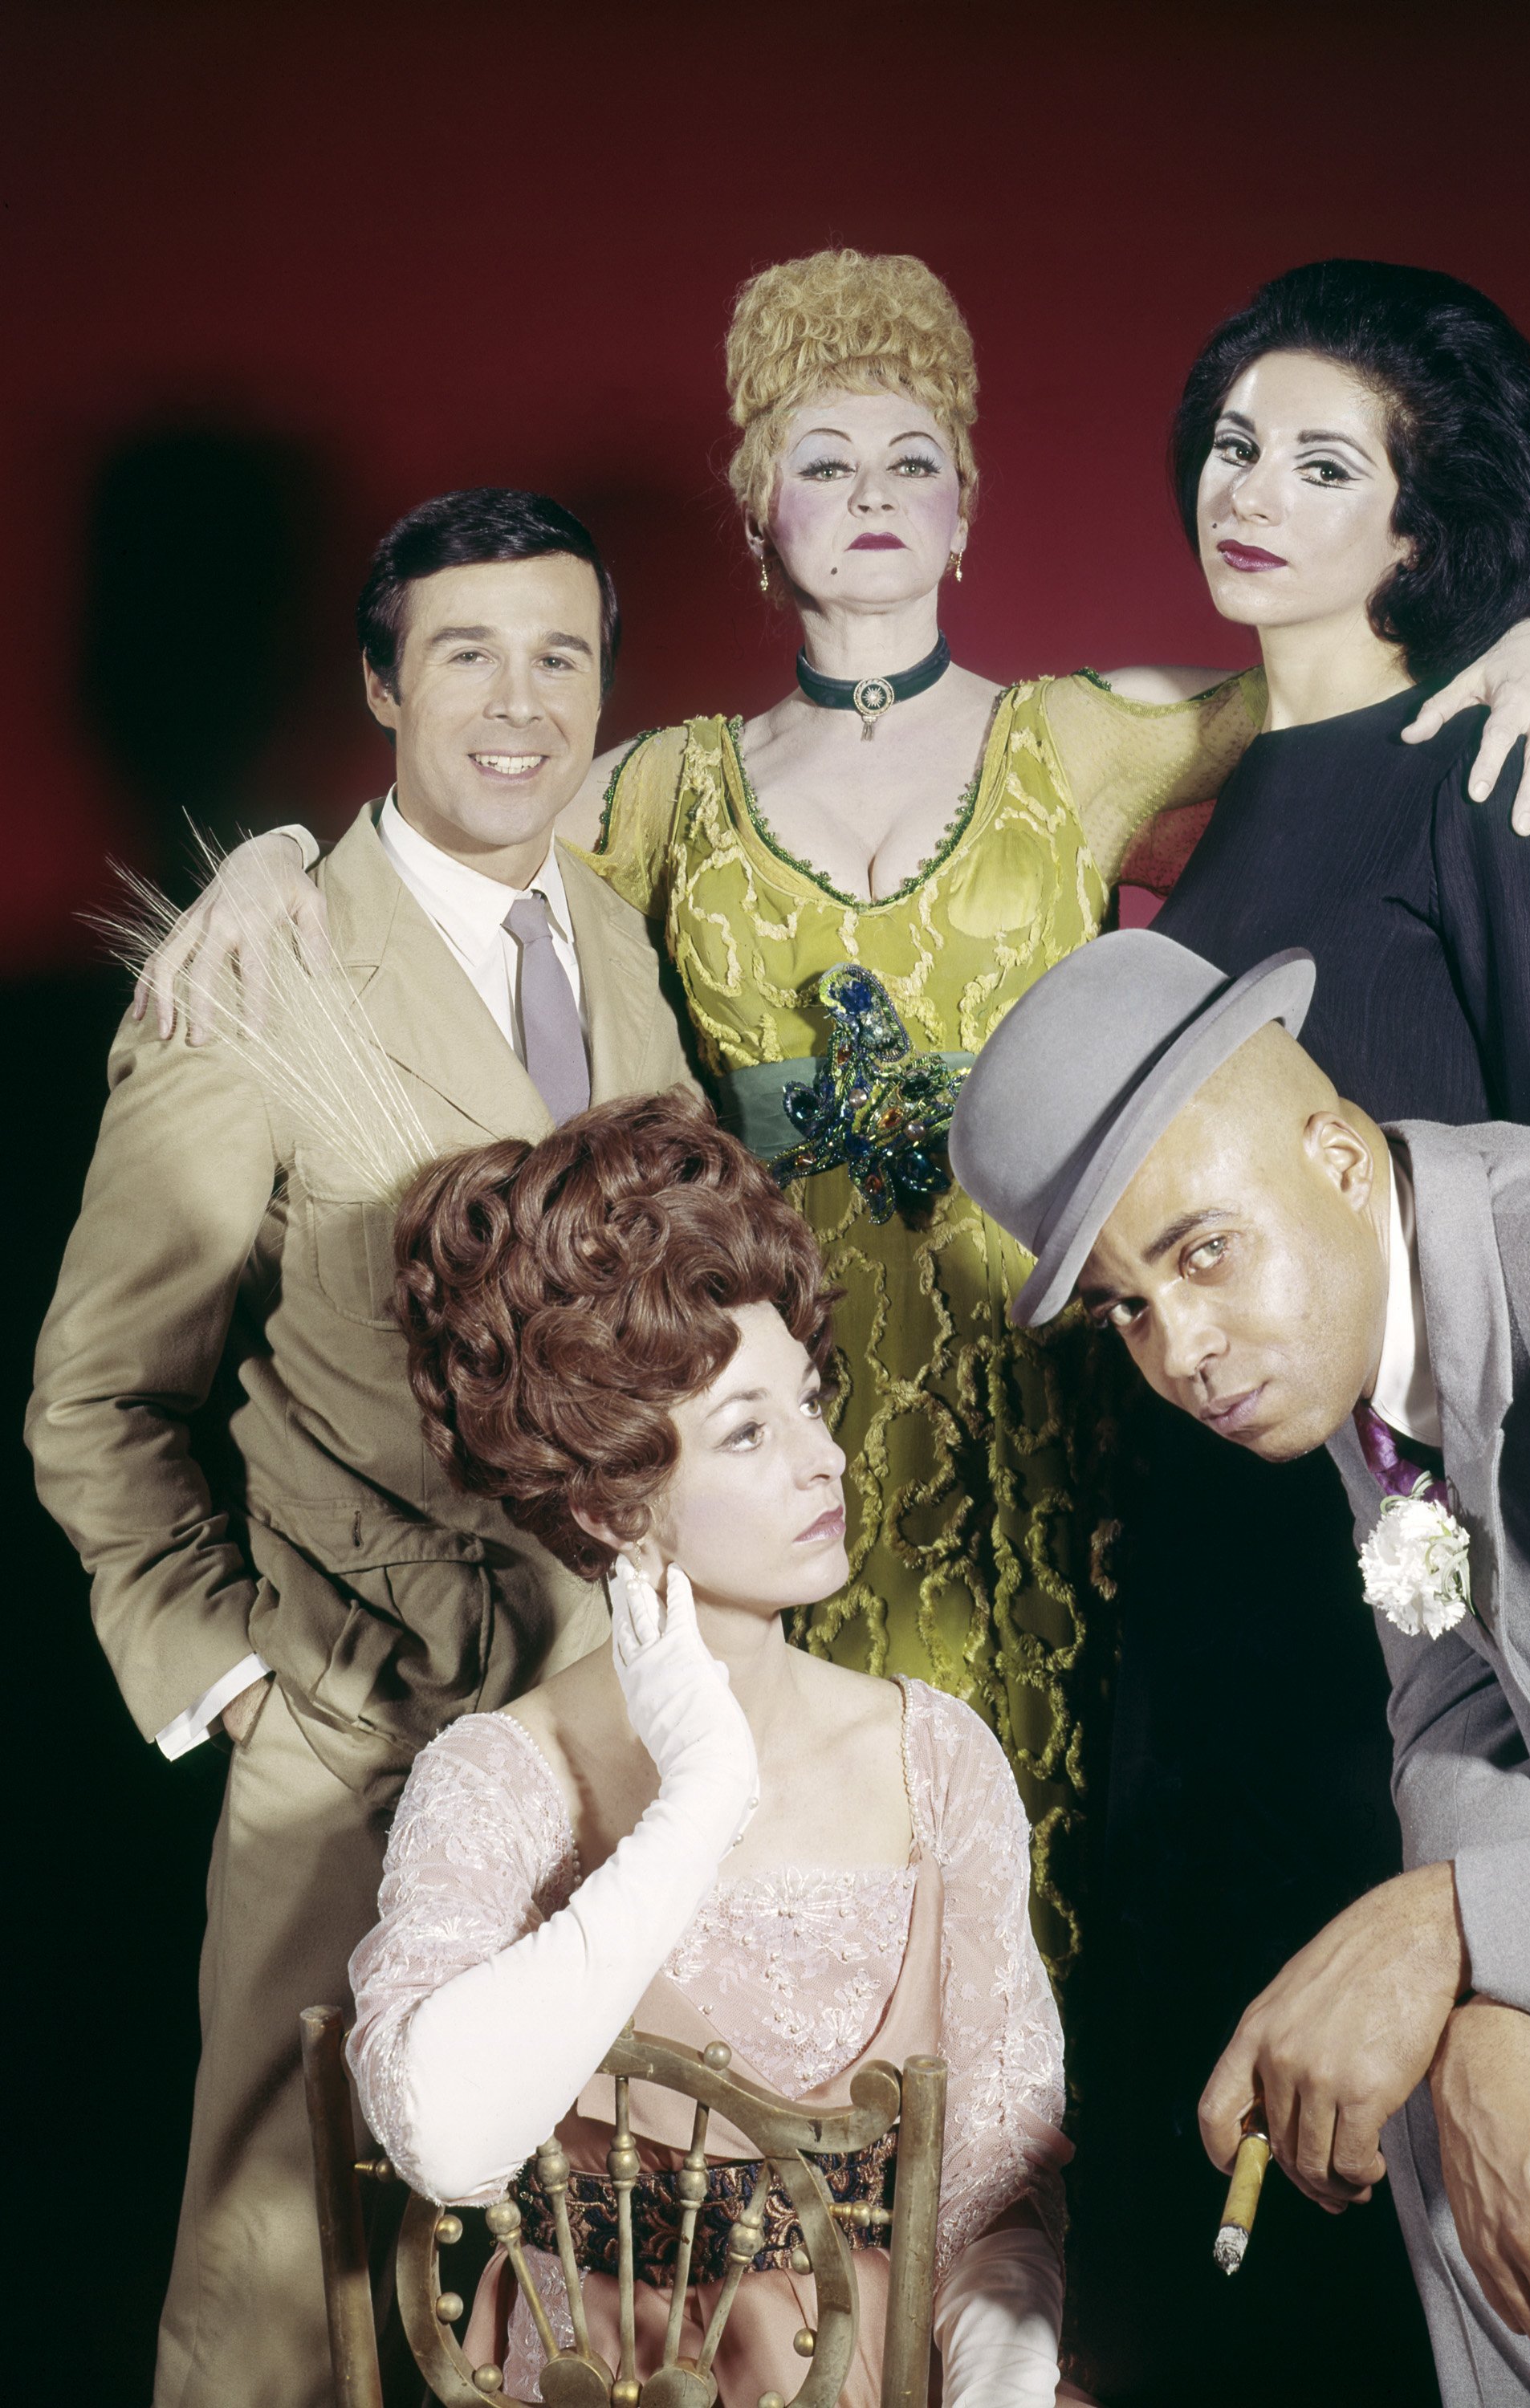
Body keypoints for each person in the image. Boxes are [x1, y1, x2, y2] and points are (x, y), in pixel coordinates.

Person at [137, 250, 1530, 1975]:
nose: (872, 496)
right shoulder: (663, 786)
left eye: (912, 460)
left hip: (1066, 1392)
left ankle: (1030, 2223)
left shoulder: (1081, 742)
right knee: (796, 1863)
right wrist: (278, 861)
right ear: (761, 513)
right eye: (823, 462)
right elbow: (450, 822)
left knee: (1071, 1861)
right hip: (777, 1403)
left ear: (969, 511)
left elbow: (1352, 680)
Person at [947, 925, 1530, 2408]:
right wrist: (1485, 2008)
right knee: (1453, 2097)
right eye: (1128, 1308)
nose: (1182, 1350)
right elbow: (1455, 1697)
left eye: (1202, 1252)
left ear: (1333, 1158)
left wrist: (1456, 1924)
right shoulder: (1344, 1328)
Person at [26, 490, 694, 2408]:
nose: (518, 703)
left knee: (575, 2307)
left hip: (612, 1741)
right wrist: (235, 1677)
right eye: (465, 653)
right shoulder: (264, 967)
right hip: (357, 1749)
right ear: (380, 685)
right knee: (281, 2305)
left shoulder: (621, 941)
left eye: (560, 656)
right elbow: (94, 1394)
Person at [1085, 258, 1530, 2401]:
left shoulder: (1493, 763)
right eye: (1237, 441)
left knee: (1379, 2138)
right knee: (1208, 2130)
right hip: (1194, 1539)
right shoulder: (1228, 781)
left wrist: (1473, 1600)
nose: (1253, 489)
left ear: (1413, 531)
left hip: (1396, 1562)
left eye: (1325, 463)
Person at [350, 1091, 1076, 2407]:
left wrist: (1000, 2393)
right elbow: (442, 2135)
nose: (826, 1458)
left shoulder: (939, 1758)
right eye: (749, 1431)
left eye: (806, 1400)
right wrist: (699, 1805)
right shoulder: (499, 1778)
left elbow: (996, 2221)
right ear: (609, 1497)